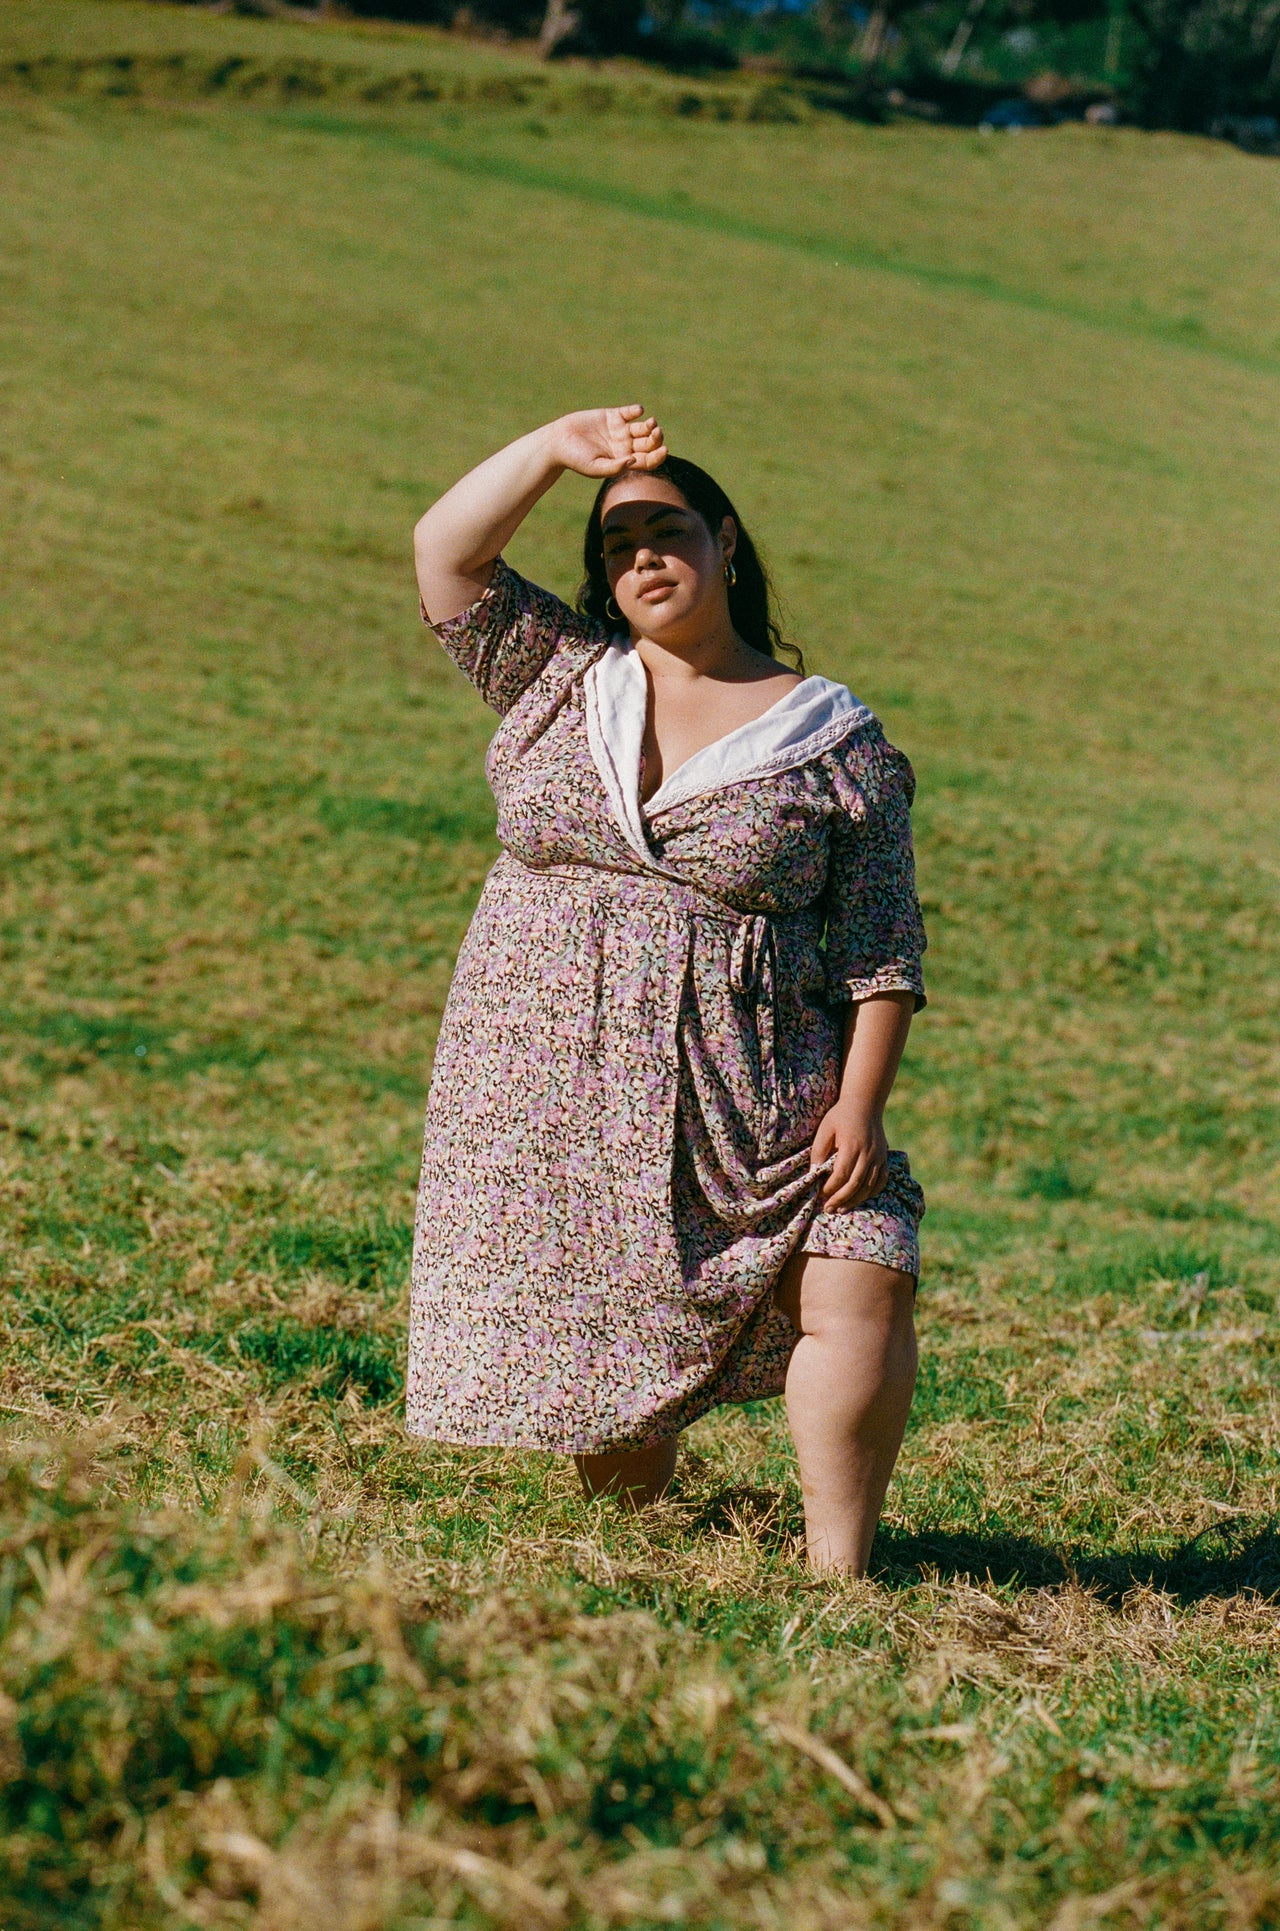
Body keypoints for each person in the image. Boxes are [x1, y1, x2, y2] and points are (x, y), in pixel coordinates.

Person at [408, 405, 926, 1576]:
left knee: (865, 1267)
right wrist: (551, 448)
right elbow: (445, 553)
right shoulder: (556, 677)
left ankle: (838, 1572)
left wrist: (862, 1101)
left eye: (667, 530)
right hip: (545, 1077)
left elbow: (880, 950)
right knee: (606, 1371)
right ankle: (632, 1550)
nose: (642, 555)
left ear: (724, 540)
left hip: (759, 1084)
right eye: (616, 542)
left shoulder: (833, 739)